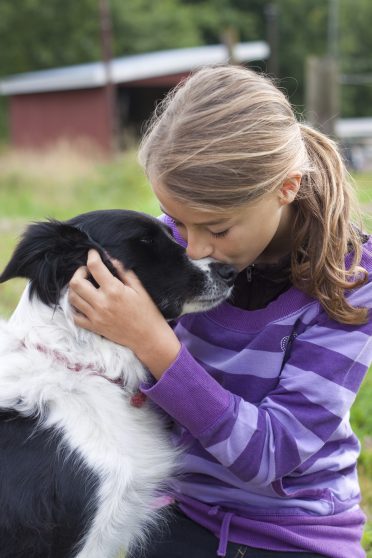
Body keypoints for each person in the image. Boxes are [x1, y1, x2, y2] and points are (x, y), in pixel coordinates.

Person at [68, 65, 372, 558]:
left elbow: (270, 453)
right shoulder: (178, 244)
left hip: (291, 533)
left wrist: (154, 344)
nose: (193, 249)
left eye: (217, 228)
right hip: (179, 513)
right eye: (178, 221)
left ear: (286, 187)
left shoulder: (351, 286)